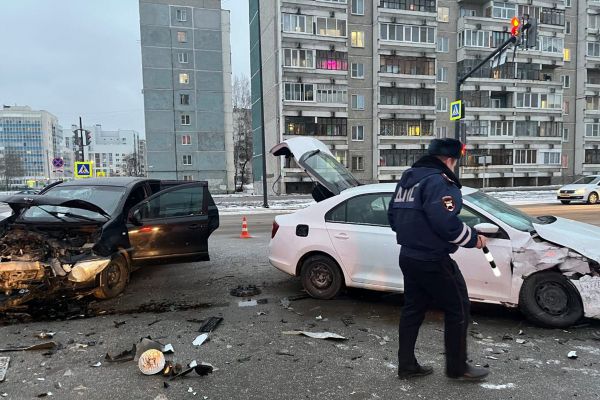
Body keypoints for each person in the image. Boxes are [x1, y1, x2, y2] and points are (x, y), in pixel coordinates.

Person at [387, 138, 489, 381]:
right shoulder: (439, 181)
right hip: (433, 259)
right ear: (450, 160)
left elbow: (392, 216)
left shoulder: (408, 180)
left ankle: (407, 365)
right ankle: (458, 368)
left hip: (408, 255)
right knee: (459, 308)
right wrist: (473, 238)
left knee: (412, 310)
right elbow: (446, 223)